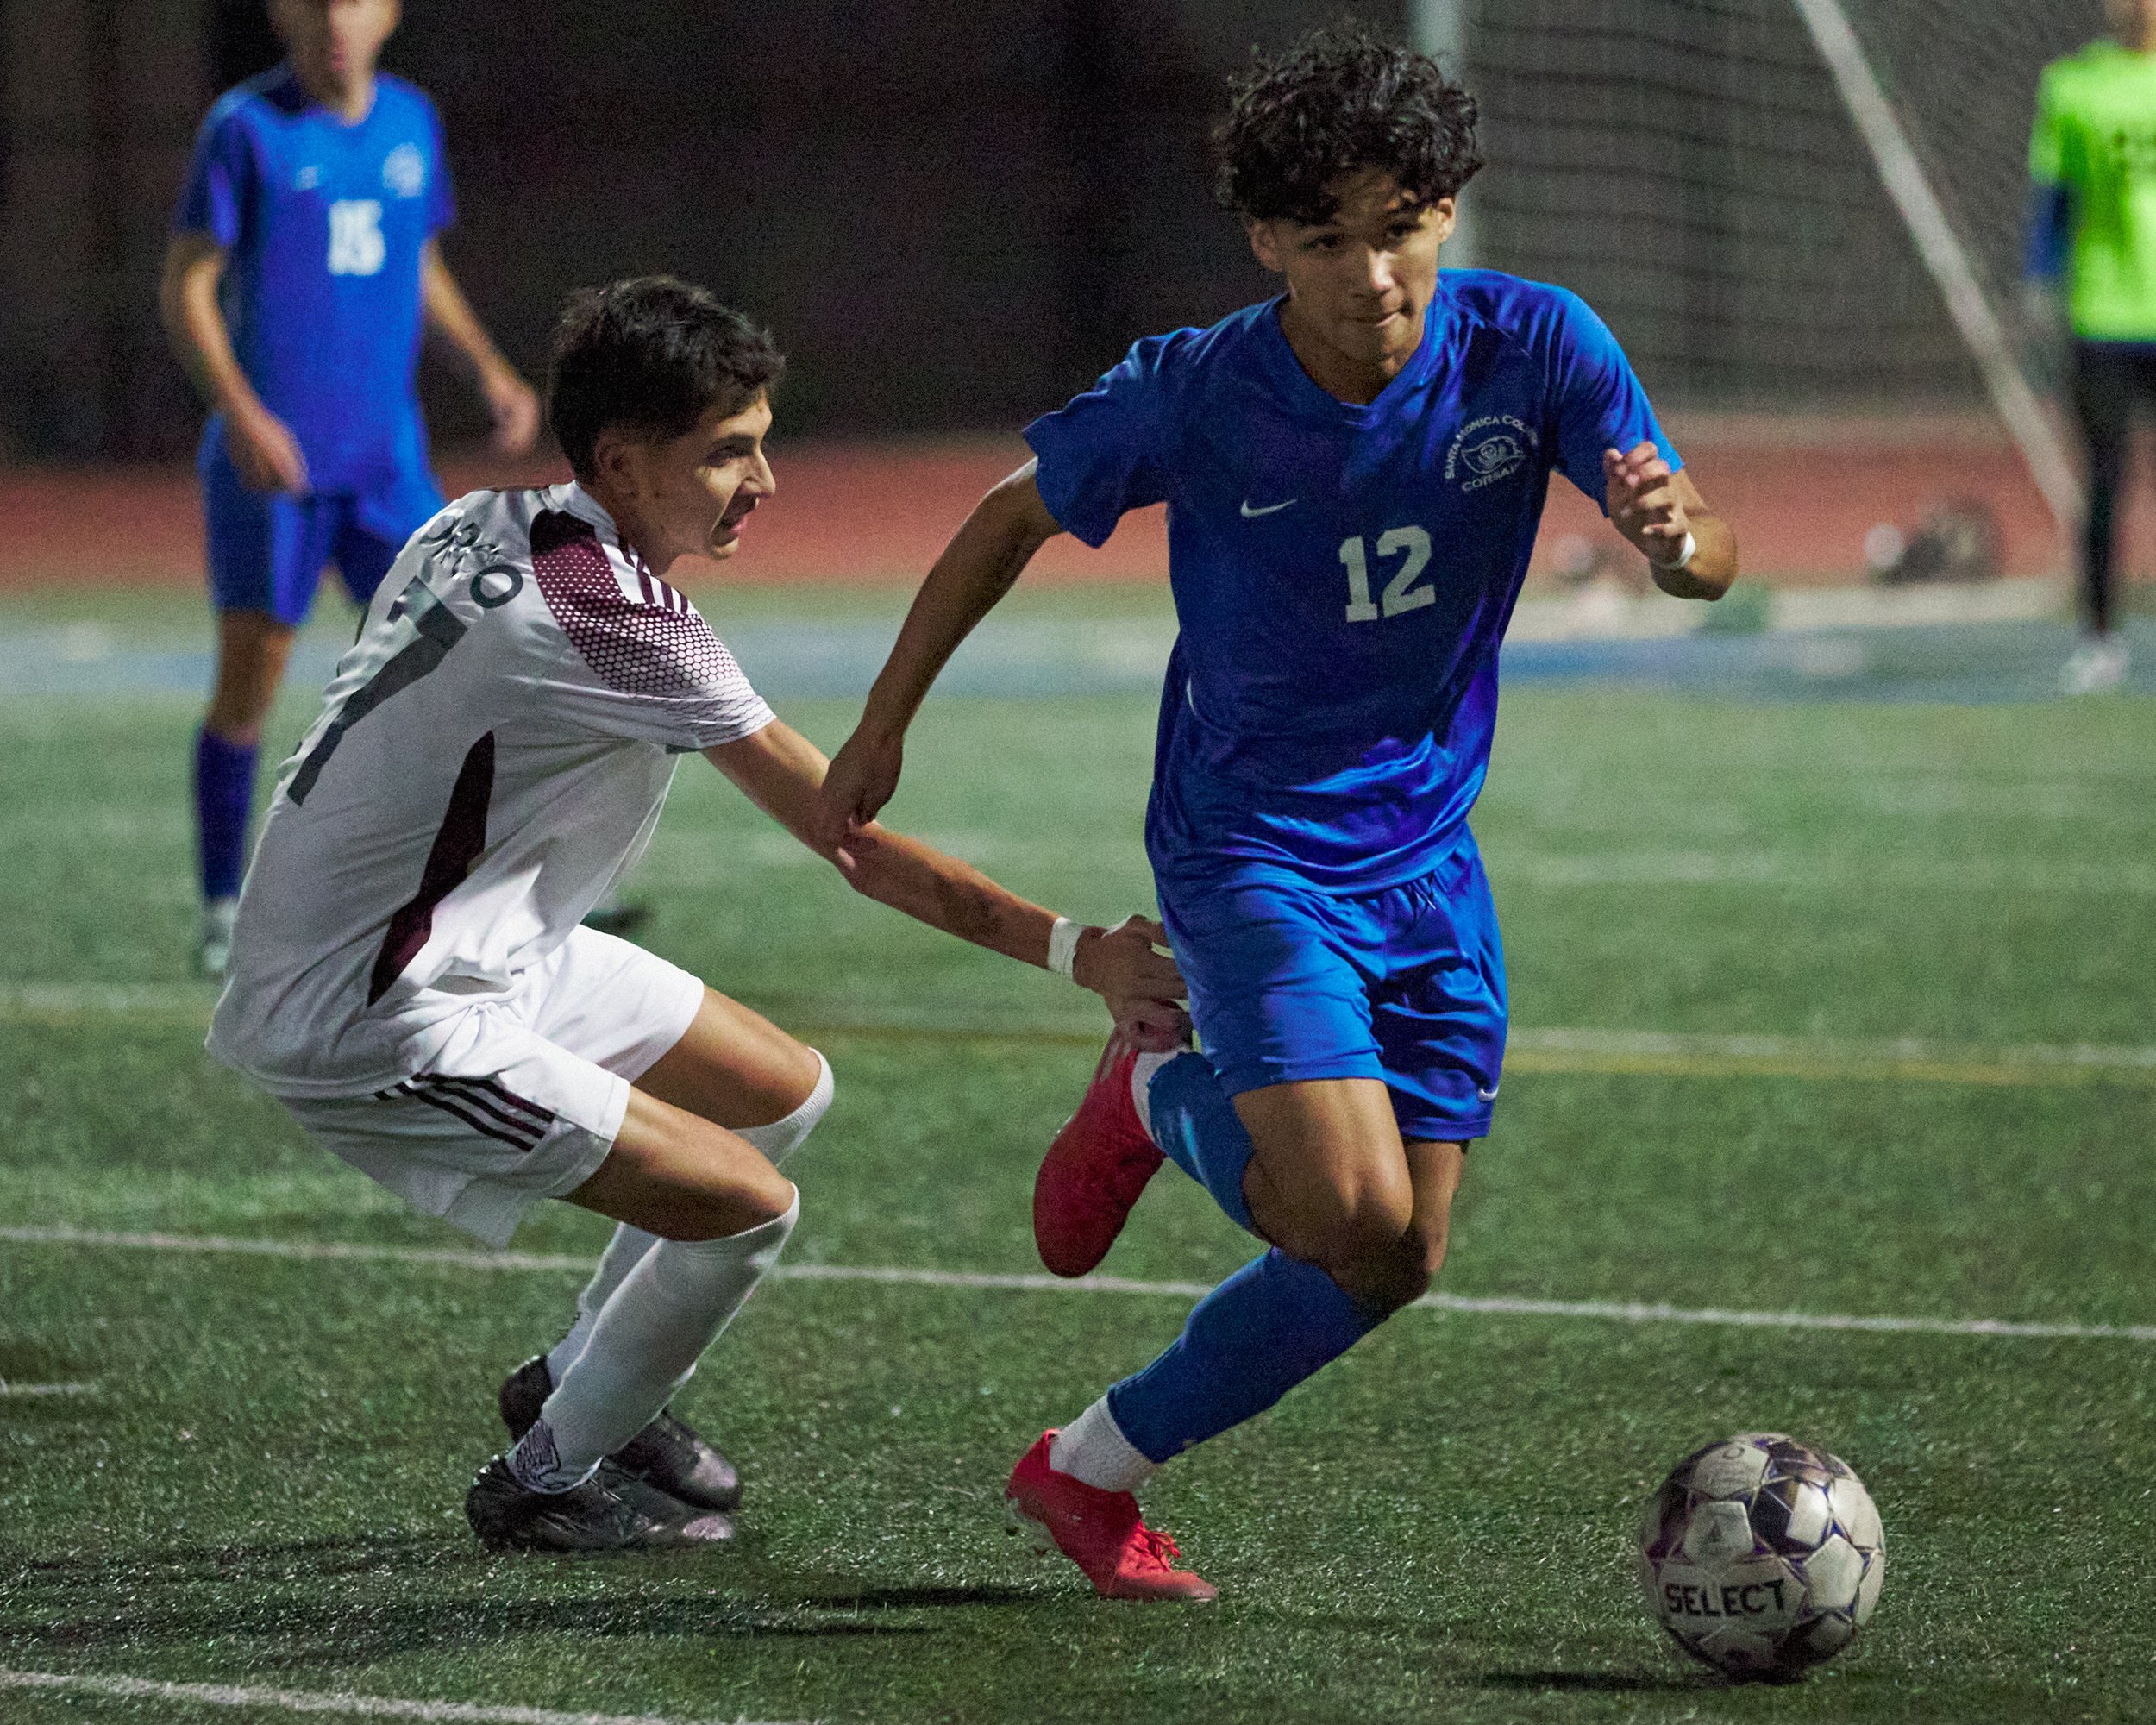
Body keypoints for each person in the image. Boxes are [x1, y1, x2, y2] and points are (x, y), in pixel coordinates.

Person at [816, 24, 1737, 1601]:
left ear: (1447, 206)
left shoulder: (1539, 347)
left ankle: (1089, 1470)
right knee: (1333, 1203)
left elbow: (1706, 548)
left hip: (1430, 859)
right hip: (1249, 851)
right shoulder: (1201, 394)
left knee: (1396, 1258)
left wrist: (1676, 541)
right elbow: (1005, 515)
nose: (1372, 272)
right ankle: (1162, 1087)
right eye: (1327, 239)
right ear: (1265, 241)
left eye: (1401, 226)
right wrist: (882, 724)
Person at [205, 276, 1188, 1553]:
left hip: (474, 939)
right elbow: (856, 842)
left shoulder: (478, 518)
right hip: (372, 1009)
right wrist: (1079, 952)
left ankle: (580, 1378)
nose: (763, 480)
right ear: (622, 460)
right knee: (749, 1208)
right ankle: (547, 1476)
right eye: (729, 452)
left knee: (783, 1094)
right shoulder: (616, 623)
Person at [161, 0, 542, 978]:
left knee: (460, 652)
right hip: (275, 465)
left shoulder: (412, 120)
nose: (336, 17)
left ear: (391, 13)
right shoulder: (245, 127)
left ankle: (488, 883)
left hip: (384, 459)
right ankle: (219, 903)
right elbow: (187, 284)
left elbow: (419, 261)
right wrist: (242, 413)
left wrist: (490, 368)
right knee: (251, 681)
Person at [2029, 0, 2156, 694]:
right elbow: (2053, 203)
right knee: (2104, 485)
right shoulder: (2073, 86)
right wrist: (2039, 293)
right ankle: (2100, 637)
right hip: (2104, 315)